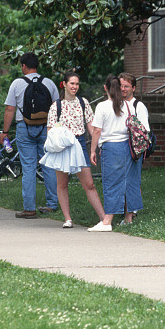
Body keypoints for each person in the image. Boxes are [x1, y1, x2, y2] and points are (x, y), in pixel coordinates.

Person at [40, 71, 106, 228]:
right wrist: (56, 144)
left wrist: (98, 145)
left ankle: (104, 218)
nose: (75, 87)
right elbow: (50, 130)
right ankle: (67, 218)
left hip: (79, 143)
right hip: (62, 146)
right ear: (64, 84)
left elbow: (91, 127)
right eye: (72, 83)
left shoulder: (83, 103)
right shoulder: (56, 106)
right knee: (62, 183)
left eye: (77, 84)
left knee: (89, 183)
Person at [0, 53, 59, 219]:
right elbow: (56, 108)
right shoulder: (49, 83)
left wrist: (5, 132)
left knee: (29, 167)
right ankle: (52, 204)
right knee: (49, 165)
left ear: (23, 66)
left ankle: (29, 208)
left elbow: (10, 109)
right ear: (37, 65)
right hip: (46, 128)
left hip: (24, 127)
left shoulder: (17, 84)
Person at [88, 75, 144, 232]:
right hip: (128, 146)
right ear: (120, 88)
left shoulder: (102, 107)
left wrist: (93, 150)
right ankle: (128, 217)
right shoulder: (128, 105)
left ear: (105, 88)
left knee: (111, 183)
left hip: (111, 148)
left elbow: (97, 130)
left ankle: (107, 221)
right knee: (129, 182)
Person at [118, 72, 149, 224]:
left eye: (127, 86)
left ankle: (132, 212)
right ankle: (125, 210)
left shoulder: (139, 106)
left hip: (133, 148)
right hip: (118, 146)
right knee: (121, 180)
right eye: (121, 86)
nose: (123, 89)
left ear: (134, 88)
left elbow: (145, 130)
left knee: (132, 181)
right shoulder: (116, 103)